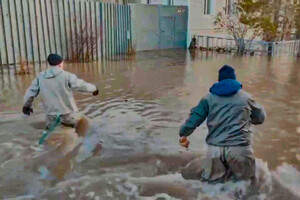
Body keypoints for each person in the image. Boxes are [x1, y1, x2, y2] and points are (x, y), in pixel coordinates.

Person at [179, 65, 266, 183]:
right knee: (246, 185)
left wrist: (183, 133)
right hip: (239, 149)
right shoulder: (246, 98)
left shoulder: (208, 99)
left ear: (219, 80)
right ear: (234, 80)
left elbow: (193, 120)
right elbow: (260, 118)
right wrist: (248, 120)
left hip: (215, 150)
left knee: (212, 187)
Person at [23, 53, 99, 141]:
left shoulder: (40, 77)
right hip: (69, 116)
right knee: (77, 132)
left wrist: (26, 106)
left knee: (52, 134)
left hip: (51, 117)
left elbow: (30, 93)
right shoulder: (67, 76)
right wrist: (94, 89)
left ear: (49, 64)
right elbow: (82, 86)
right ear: (60, 64)